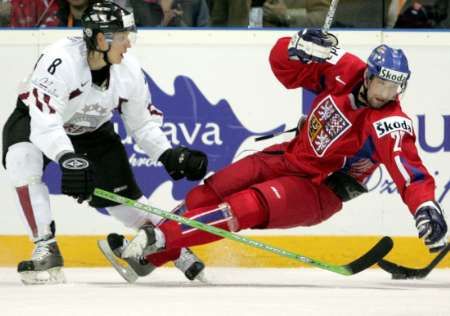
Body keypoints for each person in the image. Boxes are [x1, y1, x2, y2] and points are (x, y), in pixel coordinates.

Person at [106, 29, 448, 277]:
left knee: (243, 206)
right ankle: (149, 259)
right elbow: (284, 69)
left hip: (318, 188)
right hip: (286, 156)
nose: (387, 93)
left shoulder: (389, 121)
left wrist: (425, 206)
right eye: (382, 84)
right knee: (212, 189)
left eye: (395, 87)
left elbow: (408, 168)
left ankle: (158, 238)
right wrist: (296, 46)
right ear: (369, 76)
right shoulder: (345, 69)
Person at [2, 0, 208, 285]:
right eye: (123, 37)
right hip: (35, 120)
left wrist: (167, 154)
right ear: (101, 38)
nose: (129, 45)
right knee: (21, 159)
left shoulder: (129, 70)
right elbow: (45, 122)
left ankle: (170, 243)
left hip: (93, 131)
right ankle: (45, 246)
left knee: (124, 202)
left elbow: (142, 123)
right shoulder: (59, 61)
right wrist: (66, 158)